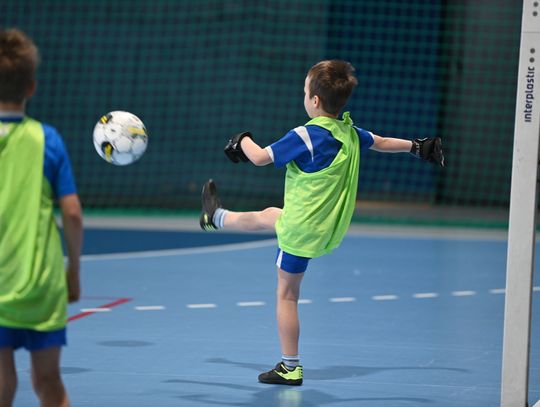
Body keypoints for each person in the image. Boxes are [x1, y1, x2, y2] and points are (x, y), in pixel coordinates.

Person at [200, 60, 443, 386]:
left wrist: (241, 139)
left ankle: (290, 366)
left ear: (314, 100)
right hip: (324, 226)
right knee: (271, 215)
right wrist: (418, 147)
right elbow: (383, 142)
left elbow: (258, 157)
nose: (303, 95)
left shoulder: (305, 135)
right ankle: (215, 217)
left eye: (304, 91)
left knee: (287, 296)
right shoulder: (349, 132)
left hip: (302, 230)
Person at [0, 28, 83, 406]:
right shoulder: (47, 139)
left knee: (2, 383)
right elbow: (72, 213)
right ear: (31, 87)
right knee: (49, 382)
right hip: (42, 284)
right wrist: (73, 271)